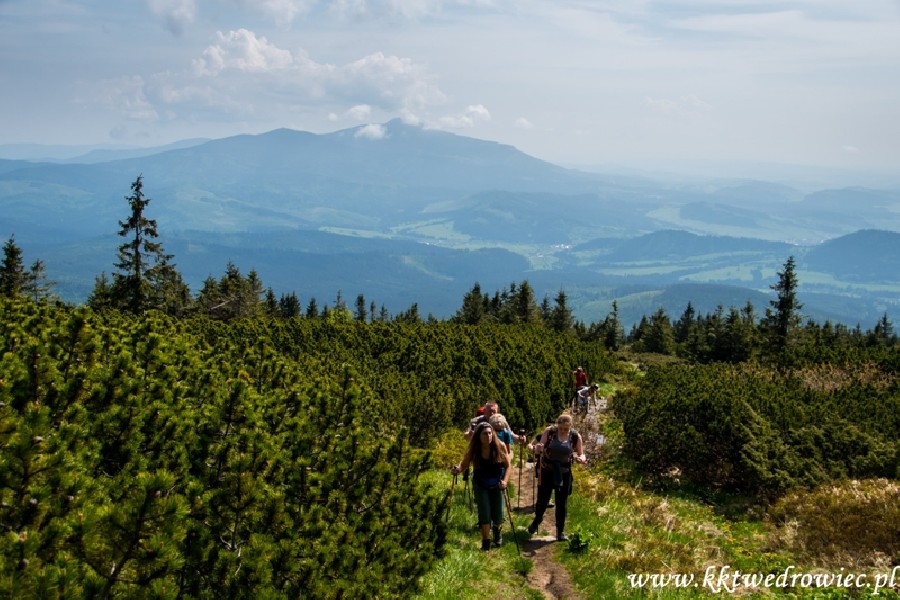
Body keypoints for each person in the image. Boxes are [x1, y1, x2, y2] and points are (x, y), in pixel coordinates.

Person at [451, 421, 511, 550]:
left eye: (490, 433)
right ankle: (486, 542)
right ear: (478, 435)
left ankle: (497, 530)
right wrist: (457, 469)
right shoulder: (474, 449)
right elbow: (464, 464)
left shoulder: (500, 446)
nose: (488, 436)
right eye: (484, 434)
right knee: (484, 511)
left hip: (497, 482)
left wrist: (505, 481)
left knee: (498, 514)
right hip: (480, 482)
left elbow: (508, 466)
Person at [527, 413, 586, 541]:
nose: (563, 431)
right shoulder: (550, 432)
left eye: (566, 429)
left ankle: (560, 531)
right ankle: (537, 520)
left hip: (564, 472)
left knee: (561, 502)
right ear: (557, 425)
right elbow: (540, 447)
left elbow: (581, 453)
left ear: (570, 427)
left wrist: (581, 458)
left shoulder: (575, 436)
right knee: (543, 499)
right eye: (561, 428)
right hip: (547, 470)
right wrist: (537, 448)